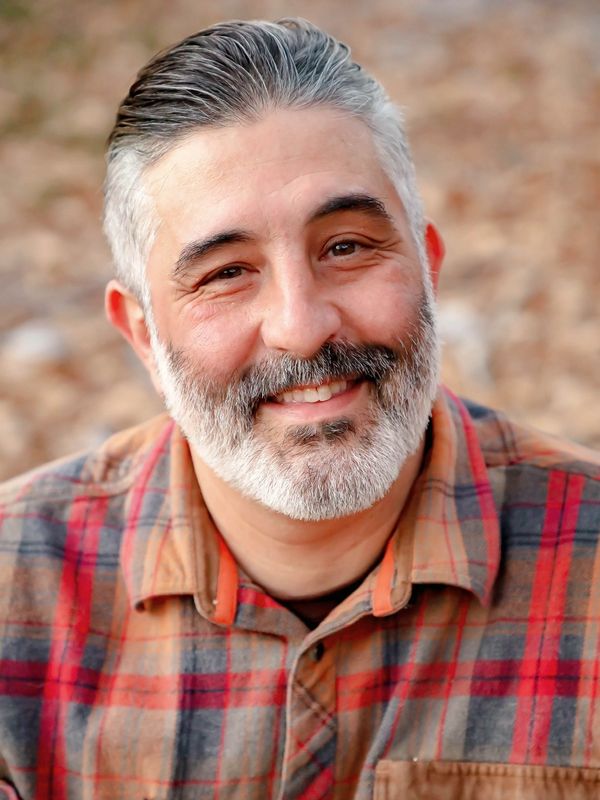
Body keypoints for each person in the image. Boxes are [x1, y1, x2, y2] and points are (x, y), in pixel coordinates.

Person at [1, 17, 599, 800]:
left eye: (345, 246)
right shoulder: (14, 598)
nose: (302, 325)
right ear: (143, 335)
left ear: (430, 267)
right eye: (225, 273)